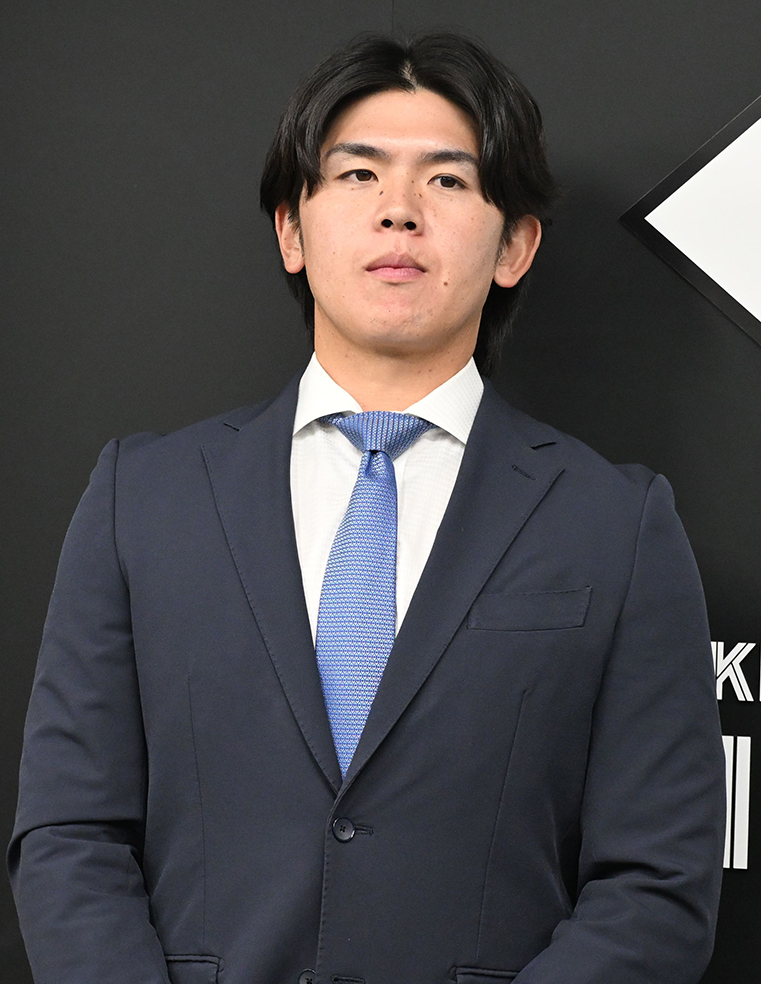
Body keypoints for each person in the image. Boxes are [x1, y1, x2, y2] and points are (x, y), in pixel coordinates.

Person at [9, 32, 724, 984]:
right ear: (290, 231)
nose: (398, 210)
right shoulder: (142, 498)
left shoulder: (616, 523)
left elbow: (656, 883)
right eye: (356, 174)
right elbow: (70, 833)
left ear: (514, 246)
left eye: (447, 180)